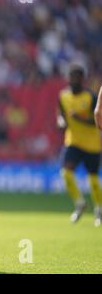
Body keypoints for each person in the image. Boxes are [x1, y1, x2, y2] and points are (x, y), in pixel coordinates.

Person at [57, 63, 102, 227]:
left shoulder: (90, 97)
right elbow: (61, 115)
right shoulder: (63, 96)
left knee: (93, 180)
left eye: (76, 77)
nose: (73, 80)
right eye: (71, 77)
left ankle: (99, 209)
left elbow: (97, 120)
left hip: (92, 144)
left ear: (82, 80)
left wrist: (79, 118)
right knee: (66, 173)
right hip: (73, 141)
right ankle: (80, 203)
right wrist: (61, 122)